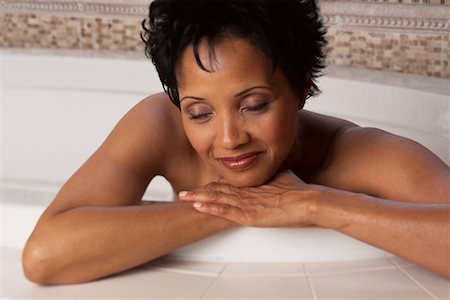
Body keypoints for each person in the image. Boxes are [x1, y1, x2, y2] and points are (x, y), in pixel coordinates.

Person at [22, 0, 449, 284]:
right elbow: (44, 256)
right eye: (200, 113)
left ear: (302, 86)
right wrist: (241, 207)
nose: (229, 139)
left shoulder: (357, 152)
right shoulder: (160, 125)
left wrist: (314, 203)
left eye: (255, 105)